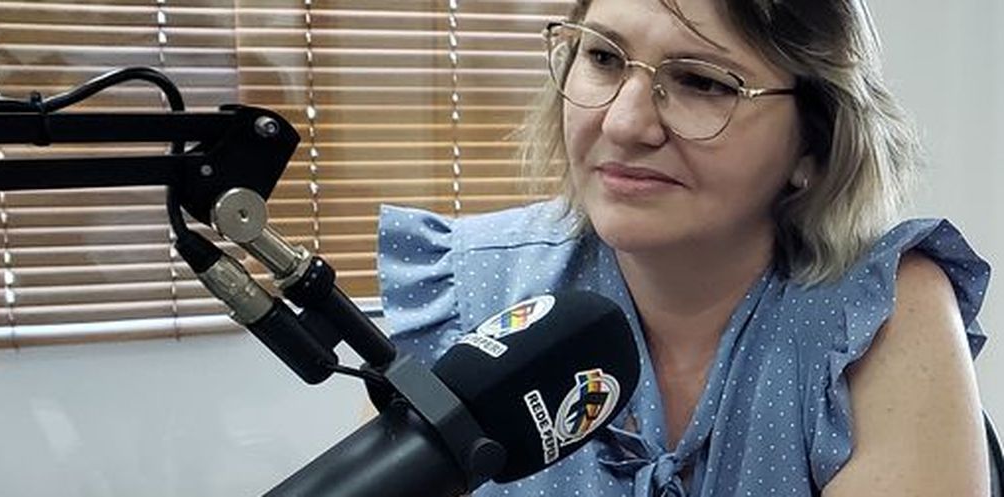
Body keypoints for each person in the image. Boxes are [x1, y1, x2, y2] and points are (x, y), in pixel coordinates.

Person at [377, 0, 992, 495]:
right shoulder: (464, 291)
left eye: (702, 82)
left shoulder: (878, 312)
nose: (624, 123)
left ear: (815, 142)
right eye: (603, 57)